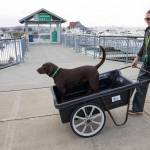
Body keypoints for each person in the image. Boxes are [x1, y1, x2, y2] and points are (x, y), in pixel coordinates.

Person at [128, 10, 150, 115]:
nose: (147, 21)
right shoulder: (147, 30)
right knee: (141, 84)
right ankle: (137, 109)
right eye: (146, 19)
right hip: (146, 63)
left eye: (149, 19)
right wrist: (137, 58)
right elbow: (144, 46)